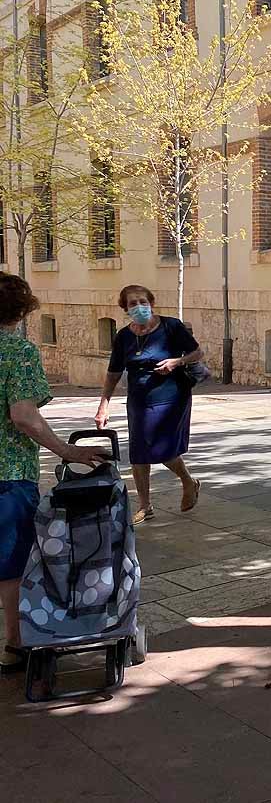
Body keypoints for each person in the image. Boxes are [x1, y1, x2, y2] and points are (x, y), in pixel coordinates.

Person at [0, 274, 108, 674]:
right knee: (10, 565)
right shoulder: (17, 351)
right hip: (7, 475)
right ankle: (16, 645)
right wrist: (67, 450)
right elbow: (23, 415)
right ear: (19, 311)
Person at [95, 285, 203, 525]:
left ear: (151, 303)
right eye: (132, 303)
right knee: (139, 452)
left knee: (159, 447)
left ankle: (187, 481)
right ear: (125, 308)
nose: (138, 307)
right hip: (139, 400)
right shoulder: (124, 336)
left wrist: (176, 362)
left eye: (142, 301)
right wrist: (104, 405)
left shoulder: (171, 326)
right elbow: (113, 372)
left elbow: (197, 353)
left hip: (171, 396)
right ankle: (145, 505)